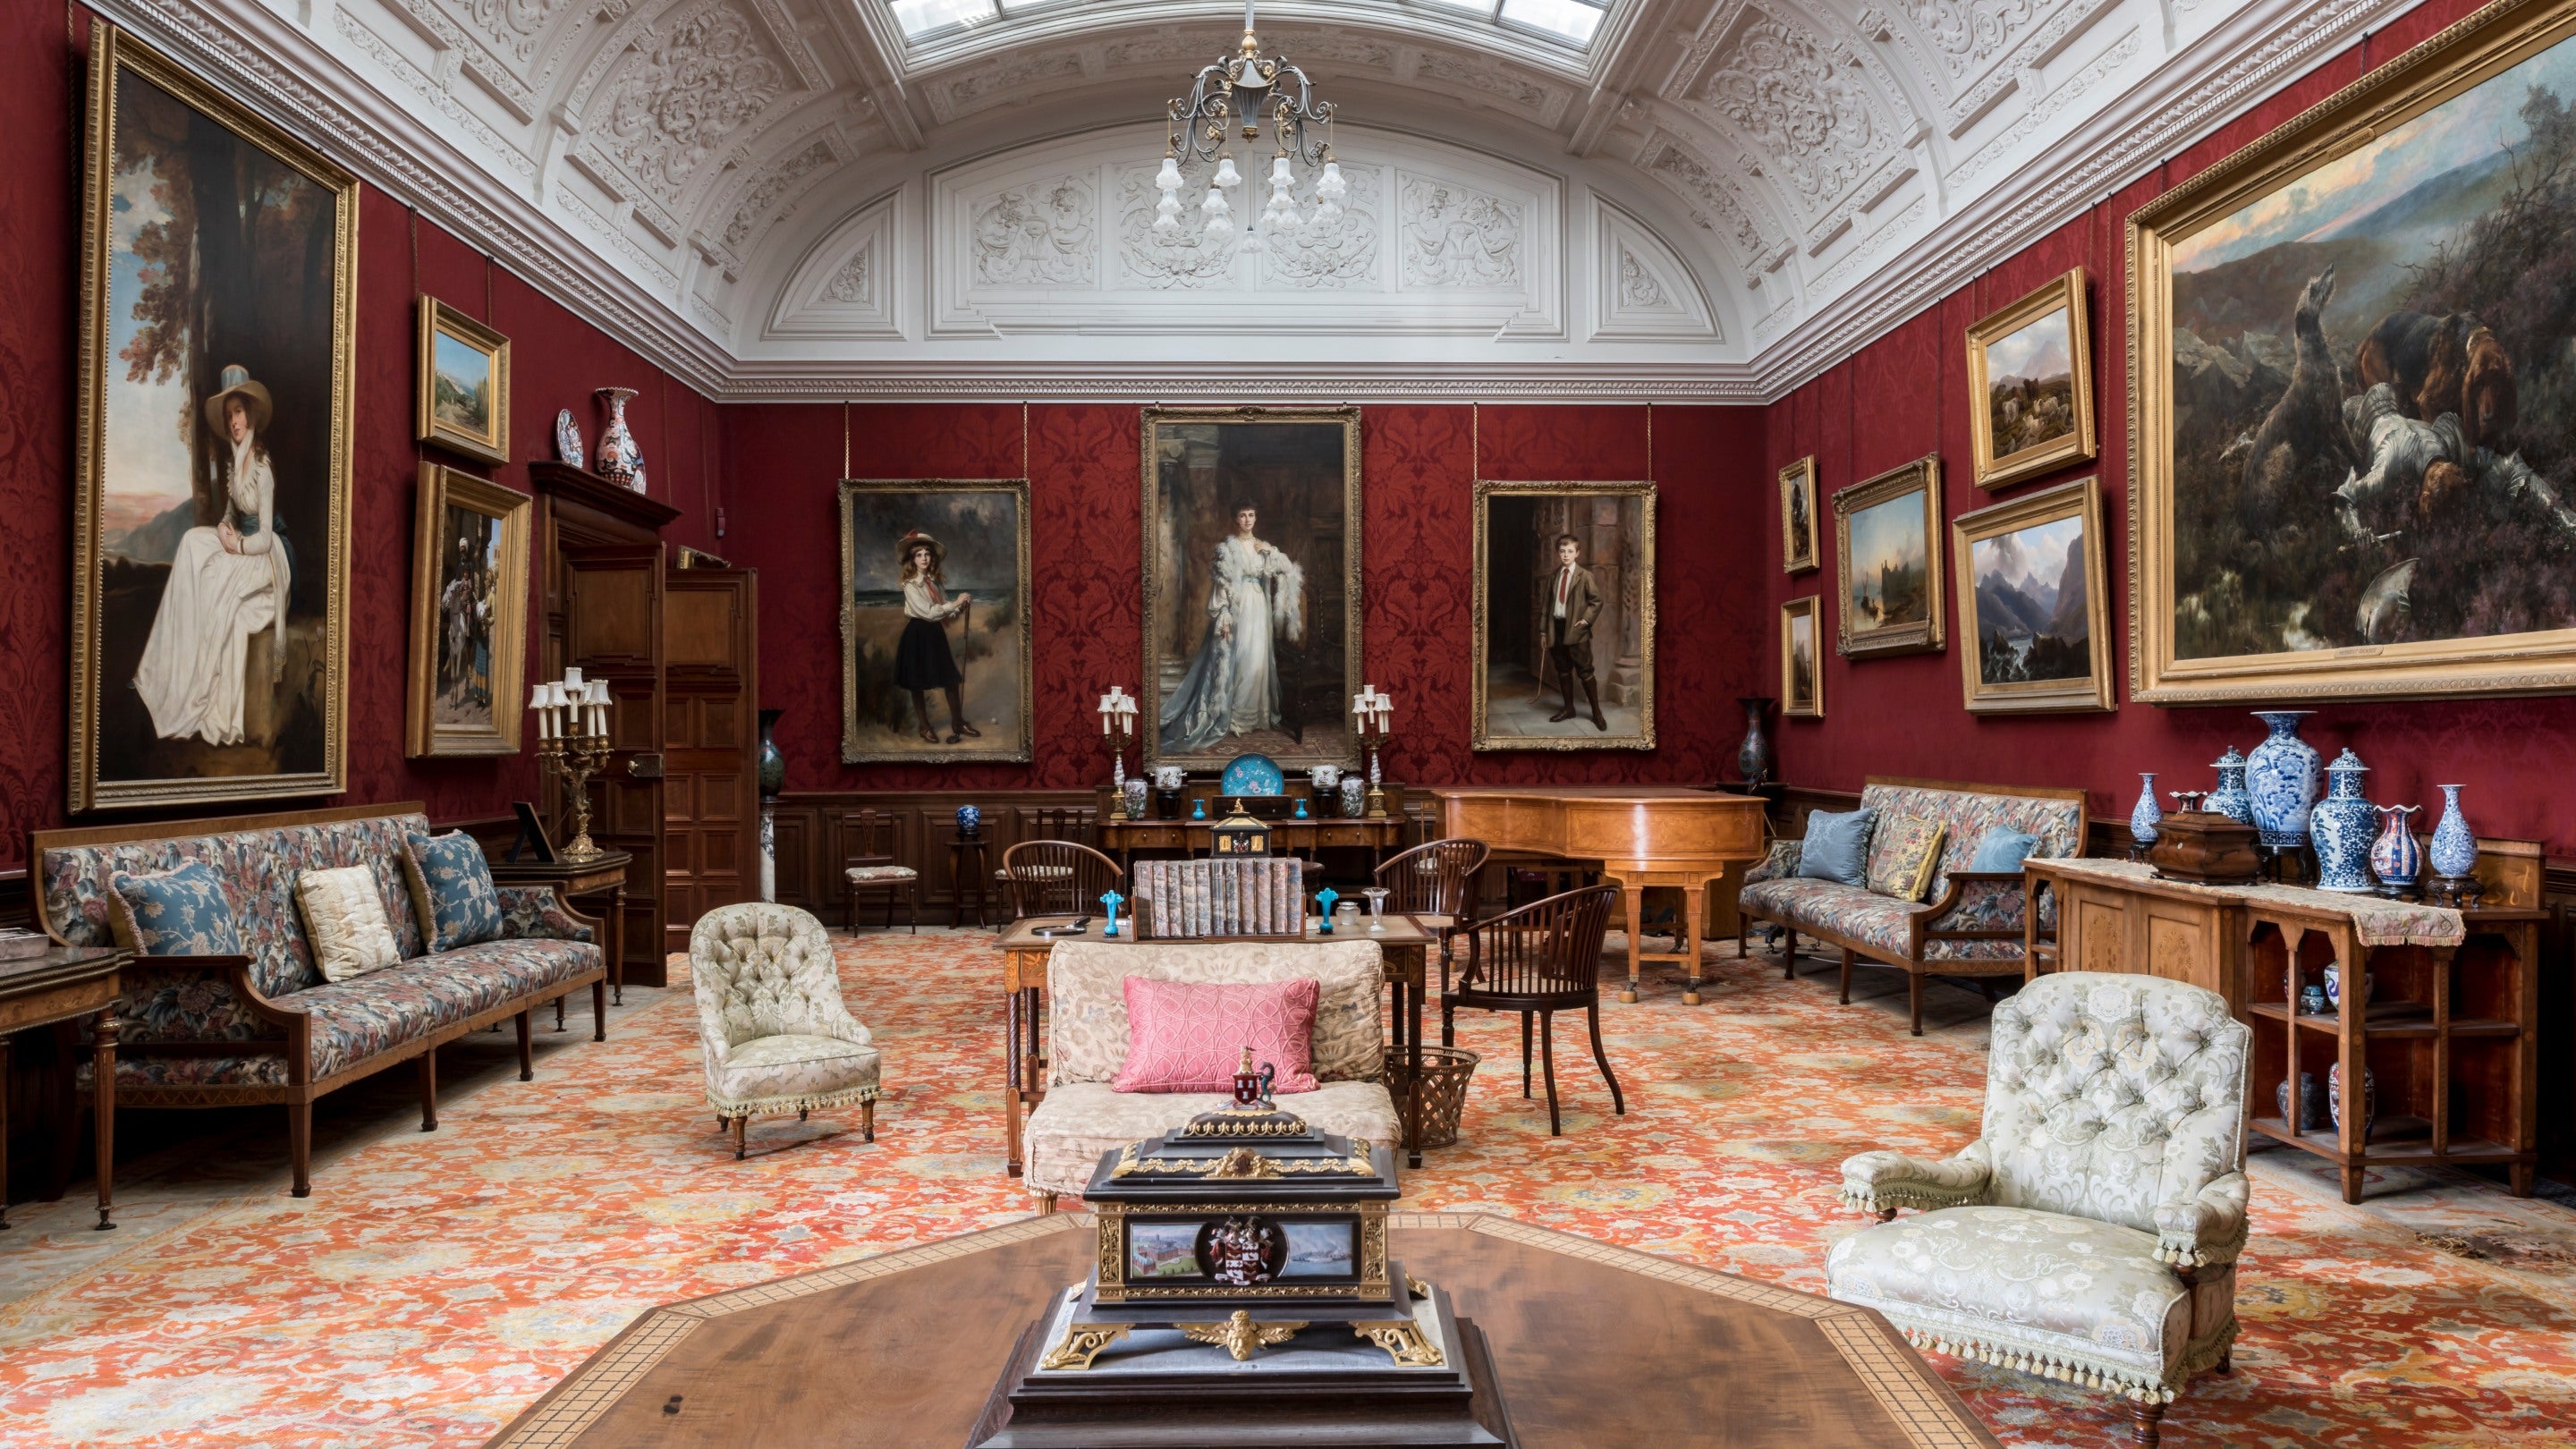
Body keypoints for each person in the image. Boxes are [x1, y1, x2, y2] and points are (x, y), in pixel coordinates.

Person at [133, 365, 292, 747]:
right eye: (229, 415)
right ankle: (172, 672)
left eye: (238, 412)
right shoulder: (233, 462)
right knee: (191, 541)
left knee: (218, 583)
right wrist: (223, 527)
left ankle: (209, 703)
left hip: (268, 558)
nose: (234, 421)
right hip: (242, 544)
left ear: (251, 414)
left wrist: (235, 545)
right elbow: (232, 513)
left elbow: (266, 538)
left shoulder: (262, 468)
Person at [1159, 502, 1303, 755]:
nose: (1247, 520)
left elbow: (1288, 570)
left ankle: (1257, 716)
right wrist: (1223, 614)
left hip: (1259, 607)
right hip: (1239, 608)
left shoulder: (1263, 547)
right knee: (1241, 657)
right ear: (1235, 519)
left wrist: (1269, 552)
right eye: (1242, 515)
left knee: (1258, 658)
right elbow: (1222, 585)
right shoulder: (1227, 549)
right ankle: (1235, 716)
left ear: (1256, 518)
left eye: (1251, 515)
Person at [893, 530, 978, 744]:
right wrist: (955, 603)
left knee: (950, 679)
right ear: (912, 560)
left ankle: (958, 722)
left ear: (932, 558)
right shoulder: (910, 585)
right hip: (917, 635)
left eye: (927, 554)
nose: (924, 558)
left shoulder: (935, 582)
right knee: (917, 683)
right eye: (919, 554)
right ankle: (924, 726)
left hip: (935, 634)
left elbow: (945, 611)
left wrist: (960, 606)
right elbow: (929, 612)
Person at [1541, 532, 1606, 730]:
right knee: (1563, 670)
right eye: (1562, 551)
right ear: (1557, 553)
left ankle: (1597, 713)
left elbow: (1597, 601)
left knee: (1585, 671)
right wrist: (1544, 632)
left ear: (1577, 553)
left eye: (1570, 551)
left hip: (1577, 631)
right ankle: (1569, 708)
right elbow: (1546, 606)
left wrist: (1585, 620)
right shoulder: (1553, 577)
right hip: (1556, 629)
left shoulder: (1585, 576)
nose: (1566, 555)